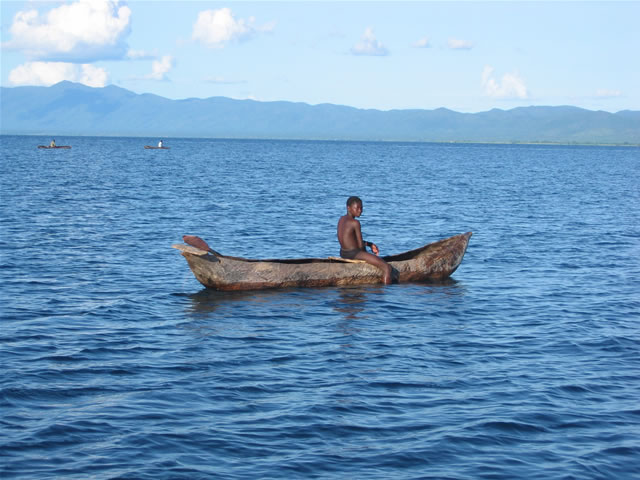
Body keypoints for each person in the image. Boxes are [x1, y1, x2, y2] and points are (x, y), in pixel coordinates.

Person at [337, 196, 393, 284]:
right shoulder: (355, 223)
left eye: (361, 208)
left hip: (343, 253)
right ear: (348, 208)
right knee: (387, 267)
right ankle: (385, 294)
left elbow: (350, 240)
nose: (360, 210)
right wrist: (367, 256)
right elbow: (360, 246)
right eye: (357, 208)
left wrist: (370, 244)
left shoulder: (341, 219)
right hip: (353, 253)